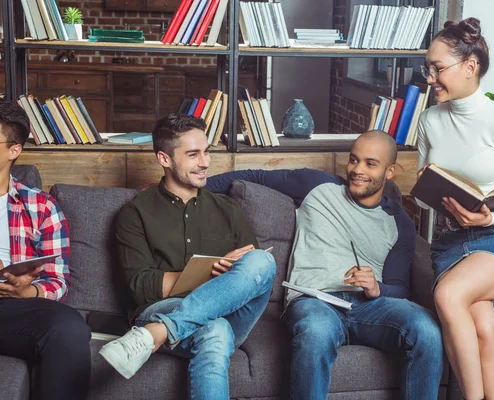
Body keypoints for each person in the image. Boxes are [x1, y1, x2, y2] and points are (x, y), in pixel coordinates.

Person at [205, 130, 443, 400]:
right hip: (313, 300)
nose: (357, 170)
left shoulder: (400, 224)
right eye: (354, 160)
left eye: (370, 163)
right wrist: (188, 187)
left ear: (390, 171)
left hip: (367, 307)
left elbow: (399, 288)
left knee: (426, 328)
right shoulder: (317, 185)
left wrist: (377, 289)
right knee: (317, 330)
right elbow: (250, 177)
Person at [99, 113, 276, 400]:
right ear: (164, 159)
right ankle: (162, 326)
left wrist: (234, 270)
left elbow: (254, 276)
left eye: (206, 152)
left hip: (229, 313)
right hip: (159, 310)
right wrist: (208, 274)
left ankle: (157, 334)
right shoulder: (135, 213)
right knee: (216, 331)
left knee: (263, 261)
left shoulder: (228, 209)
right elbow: (139, 286)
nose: (205, 162)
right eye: (193, 154)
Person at [417, 18, 494, 400]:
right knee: (485, 328)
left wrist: (490, 217)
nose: (431, 77)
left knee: (450, 295)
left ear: (470, 66)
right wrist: (427, 188)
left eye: (438, 68)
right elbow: (421, 198)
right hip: (453, 242)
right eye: (428, 68)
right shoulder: (430, 120)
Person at [0, 101, 91, 399]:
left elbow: (57, 281)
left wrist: (26, 292)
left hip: (11, 309)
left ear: (14, 150)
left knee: (69, 327)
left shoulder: (41, 207)